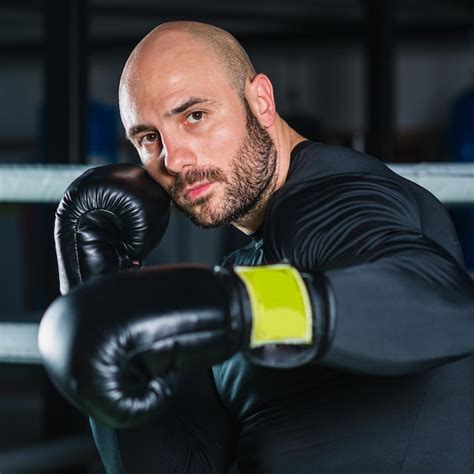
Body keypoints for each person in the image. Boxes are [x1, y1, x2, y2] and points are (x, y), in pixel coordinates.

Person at [38, 21, 474, 474]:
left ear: (260, 101)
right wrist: (102, 281)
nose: (174, 160)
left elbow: (439, 301)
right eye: (149, 139)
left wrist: (236, 307)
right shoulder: (243, 266)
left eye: (195, 116)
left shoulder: (338, 196)